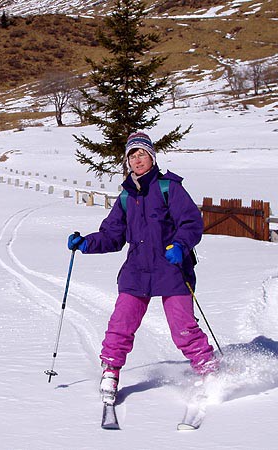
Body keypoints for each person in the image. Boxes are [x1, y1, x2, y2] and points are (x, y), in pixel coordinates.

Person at [67, 131, 219, 405]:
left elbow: (191, 222)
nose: (137, 160)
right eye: (132, 156)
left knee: (183, 327)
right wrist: (85, 243)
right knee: (121, 323)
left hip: (171, 267)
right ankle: (110, 371)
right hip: (137, 269)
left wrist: (180, 246)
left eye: (142, 154)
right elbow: (112, 234)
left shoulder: (169, 188)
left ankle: (208, 369)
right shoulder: (126, 197)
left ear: (151, 156)